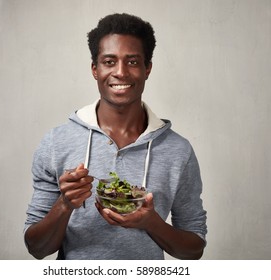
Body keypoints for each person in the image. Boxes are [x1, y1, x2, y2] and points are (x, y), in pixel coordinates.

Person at [24, 13, 207, 260]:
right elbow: (37, 248)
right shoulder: (56, 142)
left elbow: (194, 249)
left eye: (132, 62)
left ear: (147, 69)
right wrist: (64, 205)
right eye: (109, 61)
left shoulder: (178, 150)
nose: (120, 72)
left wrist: (151, 222)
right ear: (95, 69)